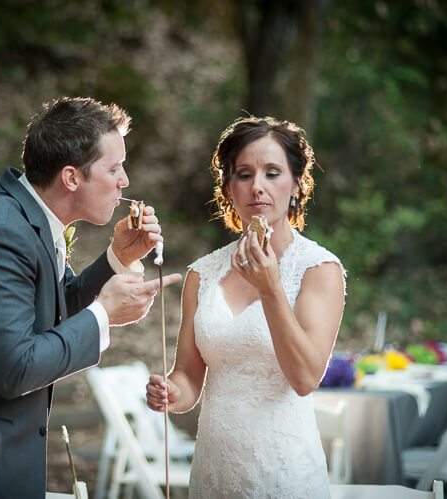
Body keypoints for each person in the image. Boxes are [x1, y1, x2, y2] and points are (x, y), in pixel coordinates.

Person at [0, 97, 181, 498]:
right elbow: (15, 368)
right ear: (72, 178)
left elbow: (51, 306)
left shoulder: (28, 218)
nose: (124, 180)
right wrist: (103, 315)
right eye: (113, 168)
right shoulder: (0, 231)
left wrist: (118, 258)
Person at [146, 116, 346, 498]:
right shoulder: (201, 275)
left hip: (282, 472)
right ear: (228, 187)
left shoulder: (318, 270)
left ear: (296, 185)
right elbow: (189, 376)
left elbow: (305, 378)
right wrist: (171, 392)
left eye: (273, 173)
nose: (258, 187)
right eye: (244, 174)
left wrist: (271, 288)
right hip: (213, 472)